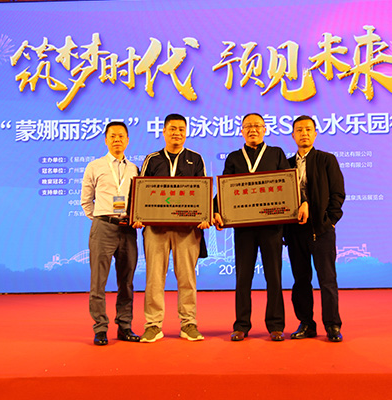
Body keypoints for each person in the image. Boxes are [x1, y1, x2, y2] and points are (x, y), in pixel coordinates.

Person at [134, 113, 210, 343]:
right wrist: (138, 216)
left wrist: (204, 216)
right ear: (164, 132)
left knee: (187, 278)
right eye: (173, 129)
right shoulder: (152, 159)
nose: (177, 133)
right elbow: (141, 191)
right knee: (154, 278)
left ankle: (188, 323)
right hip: (156, 229)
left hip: (187, 230)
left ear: (186, 133)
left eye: (181, 129)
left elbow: (202, 191)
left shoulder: (195, 159)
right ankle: (153, 325)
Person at [214, 113, 290, 342]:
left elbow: (289, 183)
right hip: (244, 227)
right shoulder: (234, 158)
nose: (253, 130)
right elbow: (225, 187)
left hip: (272, 226)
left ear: (265, 129)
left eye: (257, 126)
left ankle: (276, 325)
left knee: (274, 277)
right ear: (242, 130)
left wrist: (300, 204)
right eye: (248, 126)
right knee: (243, 277)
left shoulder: (276, 154)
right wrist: (216, 210)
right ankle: (241, 325)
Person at [283, 115, 345, 342]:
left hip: (322, 229)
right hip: (295, 231)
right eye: (299, 130)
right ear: (293, 135)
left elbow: (338, 193)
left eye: (308, 129)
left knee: (327, 280)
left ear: (315, 133)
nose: (304, 134)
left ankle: (332, 325)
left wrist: (330, 220)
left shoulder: (326, 160)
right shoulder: (286, 164)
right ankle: (306, 323)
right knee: (301, 280)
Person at [80, 121, 141, 346]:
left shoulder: (134, 169)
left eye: (121, 136)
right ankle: (100, 328)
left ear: (127, 140)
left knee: (127, 281)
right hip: (103, 226)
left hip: (128, 229)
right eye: (113, 136)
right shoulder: (94, 166)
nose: (117, 140)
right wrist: (101, 218)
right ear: (106, 140)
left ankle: (124, 326)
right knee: (98, 281)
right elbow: (86, 200)